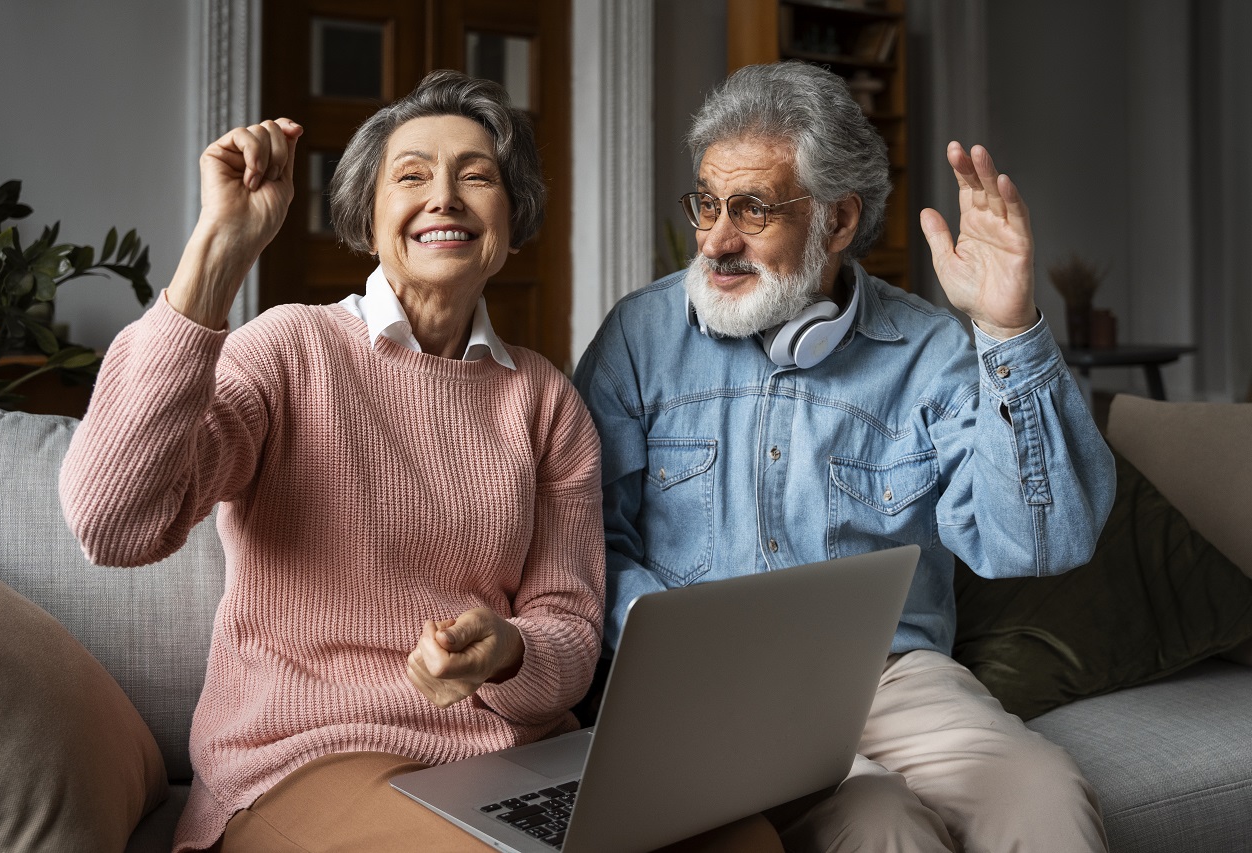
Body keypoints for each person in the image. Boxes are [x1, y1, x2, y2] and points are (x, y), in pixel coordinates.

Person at [58, 70, 610, 853]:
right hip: (307, 760)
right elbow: (113, 523)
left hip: (506, 765)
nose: (445, 196)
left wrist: (511, 650)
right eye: (411, 175)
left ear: (511, 222)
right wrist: (219, 251)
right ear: (368, 215)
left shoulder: (546, 401)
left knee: (743, 837)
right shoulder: (290, 350)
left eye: (476, 175)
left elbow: (571, 628)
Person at [573, 61, 1117, 853]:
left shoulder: (928, 351)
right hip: (707, 684)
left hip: (889, 678)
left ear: (835, 221)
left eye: (753, 208)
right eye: (707, 203)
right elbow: (586, 540)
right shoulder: (639, 338)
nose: (718, 238)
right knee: (878, 819)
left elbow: (1038, 540)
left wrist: (1008, 330)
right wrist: (672, 643)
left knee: (1041, 791)